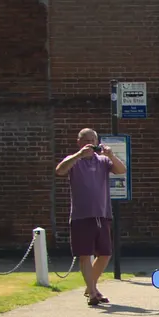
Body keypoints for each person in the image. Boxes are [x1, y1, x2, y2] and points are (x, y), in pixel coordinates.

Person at [55, 128, 127, 307]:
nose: (91, 143)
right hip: (81, 215)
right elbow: (60, 170)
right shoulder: (75, 161)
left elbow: (121, 170)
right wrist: (79, 155)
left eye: (94, 140)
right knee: (84, 254)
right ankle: (93, 293)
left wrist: (111, 155)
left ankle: (91, 286)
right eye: (87, 140)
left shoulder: (102, 161)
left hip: (102, 213)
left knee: (105, 254)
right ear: (79, 142)